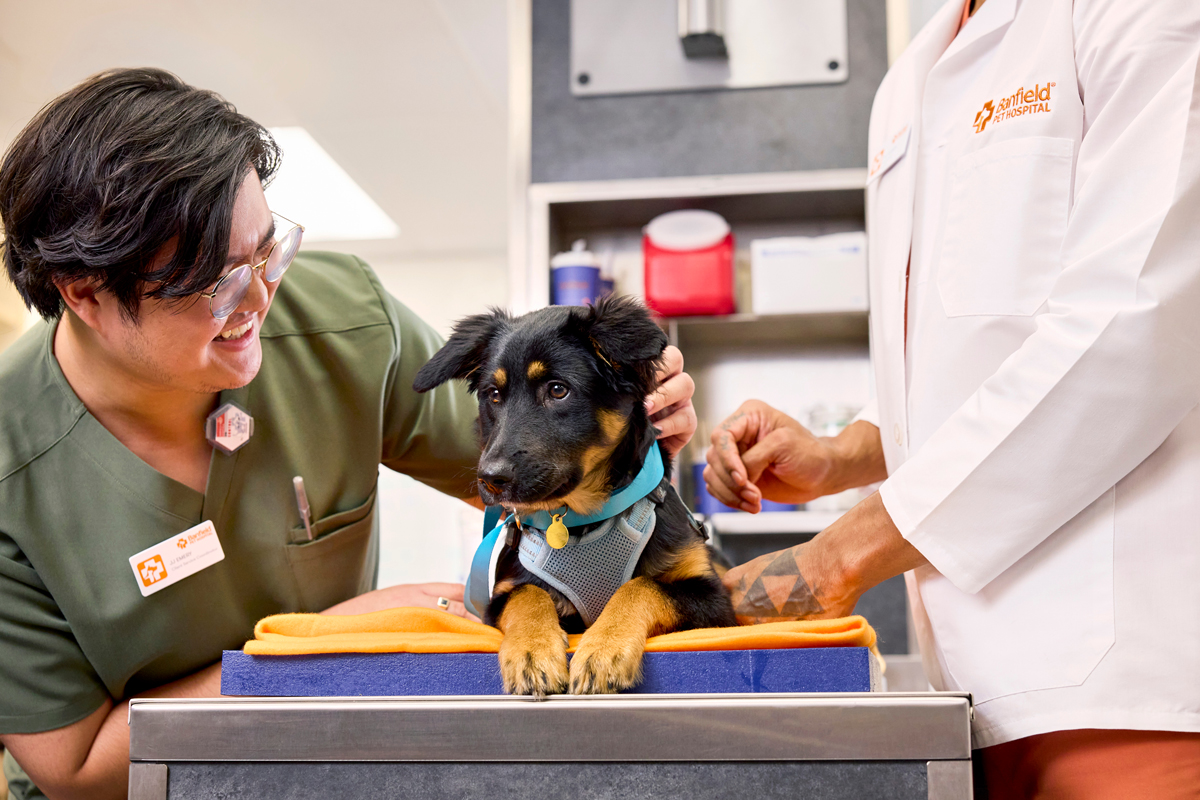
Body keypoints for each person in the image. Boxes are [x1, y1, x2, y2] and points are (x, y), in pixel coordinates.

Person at [0, 69, 698, 800]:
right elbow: (77, 768)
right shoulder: (15, 473)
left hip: (321, 766)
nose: (263, 297)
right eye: (218, 285)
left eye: (268, 250)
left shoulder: (346, 321)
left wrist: (637, 426)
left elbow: (539, 475)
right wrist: (321, 646)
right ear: (84, 294)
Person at [706, 0, 1200, 796]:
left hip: (1126, 686)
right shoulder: (910, 77)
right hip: (967, 695)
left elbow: (1136, 328)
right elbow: (973, 353)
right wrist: (845, 455)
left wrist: (840, 554)